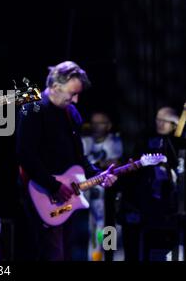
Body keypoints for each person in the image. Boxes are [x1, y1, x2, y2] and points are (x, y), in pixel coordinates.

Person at [16, 61, 118, 261]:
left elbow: (78, 157)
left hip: (67, 198)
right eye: (72, 94)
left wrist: (99, 175)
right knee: (51, 254)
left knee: (70, 253)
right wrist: (53, 184)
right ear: (55, 87)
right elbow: (25, 155)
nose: (76, 100)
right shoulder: (32, 109)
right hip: (40, 195)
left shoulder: (71, 113)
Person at [118, 106, 186, 260]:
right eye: (158, 119)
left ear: (175, 124)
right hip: (144, 201)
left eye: (165, 121)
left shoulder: (178, 144)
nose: (160, 124)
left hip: (171, 205)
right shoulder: (146, 139)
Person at [81, 112, 124, 261]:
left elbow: (113, 163)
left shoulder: (114, 141)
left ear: (108, 126)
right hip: (87, 197)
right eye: (93, 123)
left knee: (108, 229)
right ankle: (94, 258)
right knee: (92, 233)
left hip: (108, 197)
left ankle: (109, 257)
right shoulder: (85, 141)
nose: (96, 127)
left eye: (100, 123)